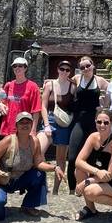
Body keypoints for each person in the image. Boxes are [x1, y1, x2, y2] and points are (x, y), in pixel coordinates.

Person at [0, 112, 56, 221]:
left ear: (32, 125)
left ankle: (28, 205)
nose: (25, 125)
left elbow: (38, 163)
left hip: (18, 179)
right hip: (0, 180)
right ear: (16, 125)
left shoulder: (34, 141)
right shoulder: (8, 141)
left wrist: (54, 168)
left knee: (39, 174)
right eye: (22, 122)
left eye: (28, 122)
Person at [74, 107, 112, 223]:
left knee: (89, 191)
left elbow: (109, 176)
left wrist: (86, 182)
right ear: (95, 122)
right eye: (99, 122)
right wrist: (96, 172)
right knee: (79, 171)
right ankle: (91, 209)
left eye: (106, 122)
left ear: (111, 123)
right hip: (101, 174)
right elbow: (78, 161)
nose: (102, 125)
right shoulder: (93, 137)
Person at [66, 56, 109, 191]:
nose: (85, 69)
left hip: (94, 122)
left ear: (93, 66)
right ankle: (73, 187)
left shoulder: (101, 81)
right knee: (73, 156)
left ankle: (89, 184)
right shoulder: (77, 79)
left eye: (87, 66)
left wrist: (104, 107)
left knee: (92, 156)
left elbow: (109, 99)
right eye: (82, 67)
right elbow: (63, 84)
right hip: (78, 121)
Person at [41, 60, 76, 195]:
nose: (64, 72)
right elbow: (43, 106)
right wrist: (47, 125)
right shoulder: (50, 85)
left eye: (67, 70)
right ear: (58, 69)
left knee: (61, 158)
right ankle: (42, 184)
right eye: (62, 69)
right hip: (50, 119)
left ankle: (55, 189)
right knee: (39, 151)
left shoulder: (72, 86)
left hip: (64, 123)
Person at [0, 57, 42, 138]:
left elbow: (36, 111)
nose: (17, 68)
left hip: (24, 128)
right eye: (15, 66)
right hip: (8, 127)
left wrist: (33, 130)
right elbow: (3, 102)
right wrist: (0, 104)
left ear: (25, 68)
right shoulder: (8, 85)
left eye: (20, 66)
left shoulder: (33, 86)